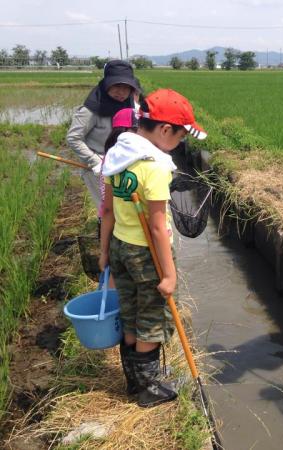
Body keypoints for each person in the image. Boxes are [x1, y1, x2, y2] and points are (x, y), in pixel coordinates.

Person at [99, 89, 207, 407]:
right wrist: (170, 275)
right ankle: (148, 389)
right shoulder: (155, 166)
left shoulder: (117, 155)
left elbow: (106, 211)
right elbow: (158, 226)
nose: (182, 142)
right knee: (151, 319)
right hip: (147, 255)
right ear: (163, 130)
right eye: (181, 134)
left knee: (130, 313)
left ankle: (134, 382)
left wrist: (104, 252)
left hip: (120, 245)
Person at [67, 60, 141, 211]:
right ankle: (104, 234)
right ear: (107, 84)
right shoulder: (91, 110)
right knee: (106, 209)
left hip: (122, 165)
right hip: (98, 168)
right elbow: (73, 138)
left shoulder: (131, 105)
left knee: (123, 210)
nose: (122, 92)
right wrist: (94, 161)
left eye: (127, 88)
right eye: (117, 86)